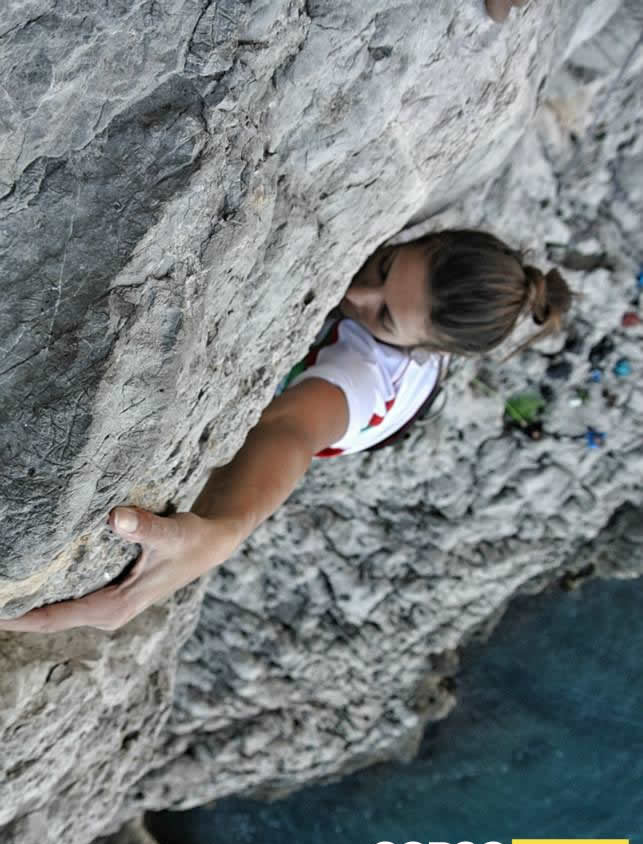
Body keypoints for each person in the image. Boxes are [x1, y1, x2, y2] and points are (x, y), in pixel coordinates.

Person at [0, 230, 571, 634]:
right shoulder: (435, 304)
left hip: (363, 421)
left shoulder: (361, 377)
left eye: (385, 318)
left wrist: (224, 531)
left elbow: (292, 431)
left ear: (424, 350)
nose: (358, 295)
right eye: (385, 265)